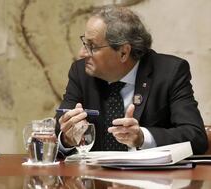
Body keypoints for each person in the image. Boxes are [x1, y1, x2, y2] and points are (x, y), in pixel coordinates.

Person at [56, 5, 208, 156]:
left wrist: (142, 137)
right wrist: (67, 138)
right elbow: (58, 133)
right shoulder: (81, 73)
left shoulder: (169, 72)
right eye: (84, 43)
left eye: (92, 46)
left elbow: (196, 138)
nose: (81, 53)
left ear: (123, 52)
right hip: (95, 176)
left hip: (150, 178)